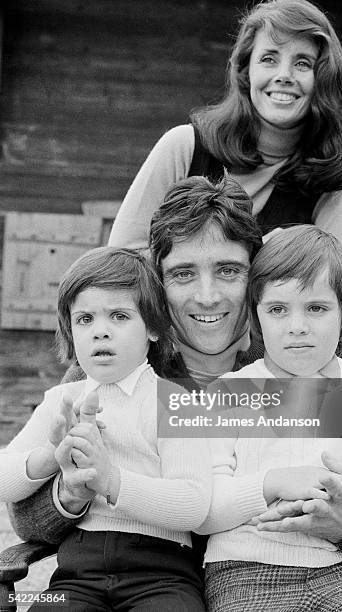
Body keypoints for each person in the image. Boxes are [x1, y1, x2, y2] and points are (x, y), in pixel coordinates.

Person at [6, 177, 342, 590]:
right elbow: (25, 519)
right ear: (158, 283)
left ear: (256, 281)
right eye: (182, 274)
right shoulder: (113, 372)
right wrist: (72, 493)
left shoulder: (298, 367)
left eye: (229, 270)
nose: (208, 295)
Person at [197, 225, 342, 611]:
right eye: (277, 309)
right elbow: (205, 508)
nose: (297, 325)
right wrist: (274, 484)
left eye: (316, 308)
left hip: (339, 567)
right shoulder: (231, 390)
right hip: (245, 569)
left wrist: (334, 490)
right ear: (256, 317)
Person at [1, 246, 212, 611]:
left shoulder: (174, 403)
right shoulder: (63, 399)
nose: (100, 332)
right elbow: (4, 478)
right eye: (85, 319)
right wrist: (53, 456)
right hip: (77, 573)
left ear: (155, 329)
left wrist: (109, 480)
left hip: (163, 574)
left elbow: (194, 504)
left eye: (118, 316)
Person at [108, 0, 342, 269]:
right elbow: (122, 259)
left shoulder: (326, 176)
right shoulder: (185, 146)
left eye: (303, 63)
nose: (284, 75)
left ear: (324, 78)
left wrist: (284, 255)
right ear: (246, 71)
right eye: (269, 59)